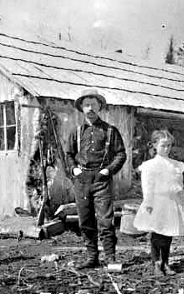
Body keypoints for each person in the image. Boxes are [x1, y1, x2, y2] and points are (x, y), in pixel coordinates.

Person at [66, 88, 127, 269]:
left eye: (93, 104)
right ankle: (92, 257)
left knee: (106, 220)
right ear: (81, 108)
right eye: (86, 105)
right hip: (82, 180)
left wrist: (108, 171)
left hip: (102, 179)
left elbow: (121, 154)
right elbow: (68, 154)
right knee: (85, 220)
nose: (90, 108)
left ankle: (110, 258)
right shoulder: (76, 132)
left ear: (99, 107)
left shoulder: (110, 131)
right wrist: (74, 169)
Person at [133, 130, 184, 276]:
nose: (167, 149)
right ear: (154, 145)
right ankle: (156, 263)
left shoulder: (176, 165)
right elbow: (147, 187)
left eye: (169, 145)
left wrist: (182, 199)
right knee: (156, 233)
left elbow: (179, 185)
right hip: (156, 201)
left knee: (168, 233)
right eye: (163, 145)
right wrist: (149, 204)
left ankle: (166, 262)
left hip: (171, 202)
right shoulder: (149, 165)